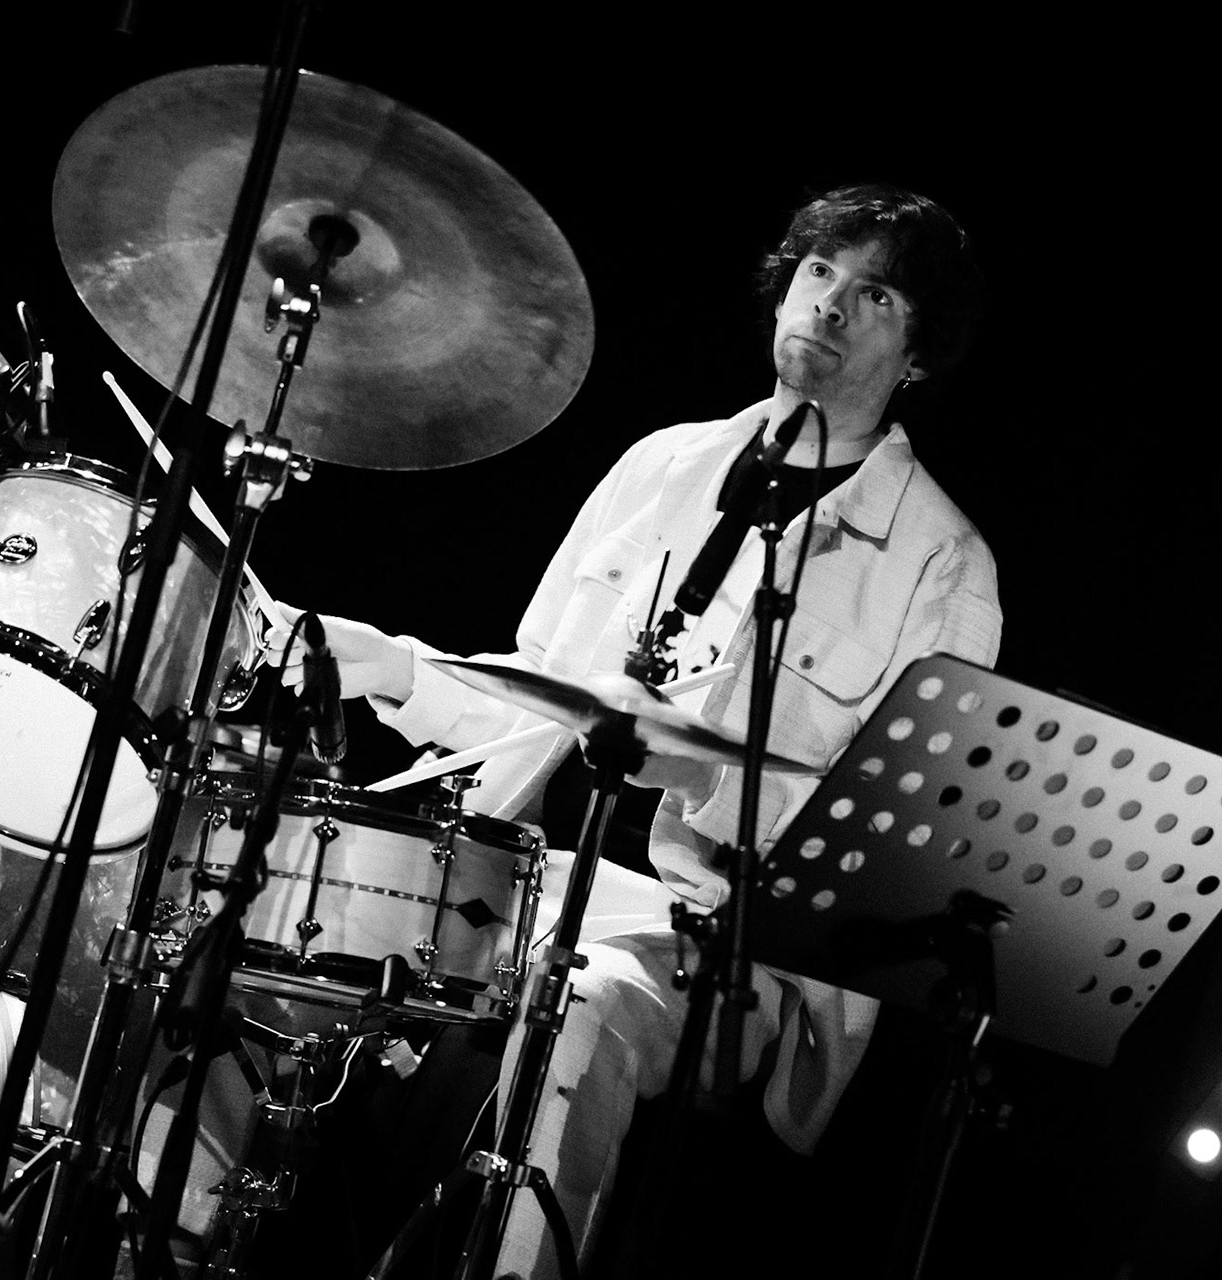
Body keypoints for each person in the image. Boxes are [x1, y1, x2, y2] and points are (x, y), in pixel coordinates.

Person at [276, 182, 1000, 1278]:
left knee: (579, 1004)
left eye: (876, 293)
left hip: (722, 940)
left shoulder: (944, 561)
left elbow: (885, 853)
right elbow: (535, 695)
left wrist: (695, 775)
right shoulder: (664, 465)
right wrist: (390, 666)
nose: (830, 305)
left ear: (918, 353)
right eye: (817, 273)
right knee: (266, 931)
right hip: (521, 873)